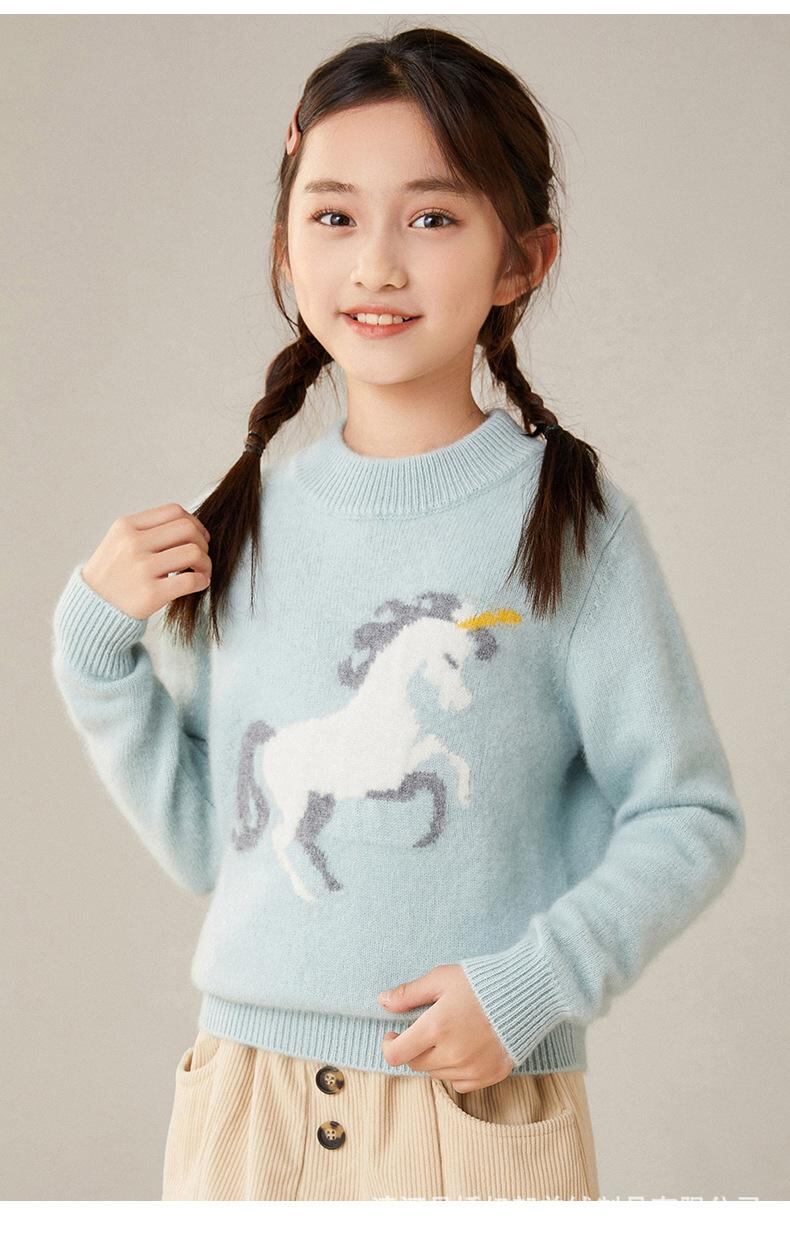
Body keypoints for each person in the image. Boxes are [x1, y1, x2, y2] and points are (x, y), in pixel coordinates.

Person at [50, 26, 746, 1202]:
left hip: (468, 1111)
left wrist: (528, 987)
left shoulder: (570, 525)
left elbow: (688, 814)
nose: (375, 264)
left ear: (521, 260)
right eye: (333, 216)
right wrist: (95, 654)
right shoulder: (246, 526)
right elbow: (212, 842)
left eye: (430, 217)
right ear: (285, 245)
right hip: (246, 1109)